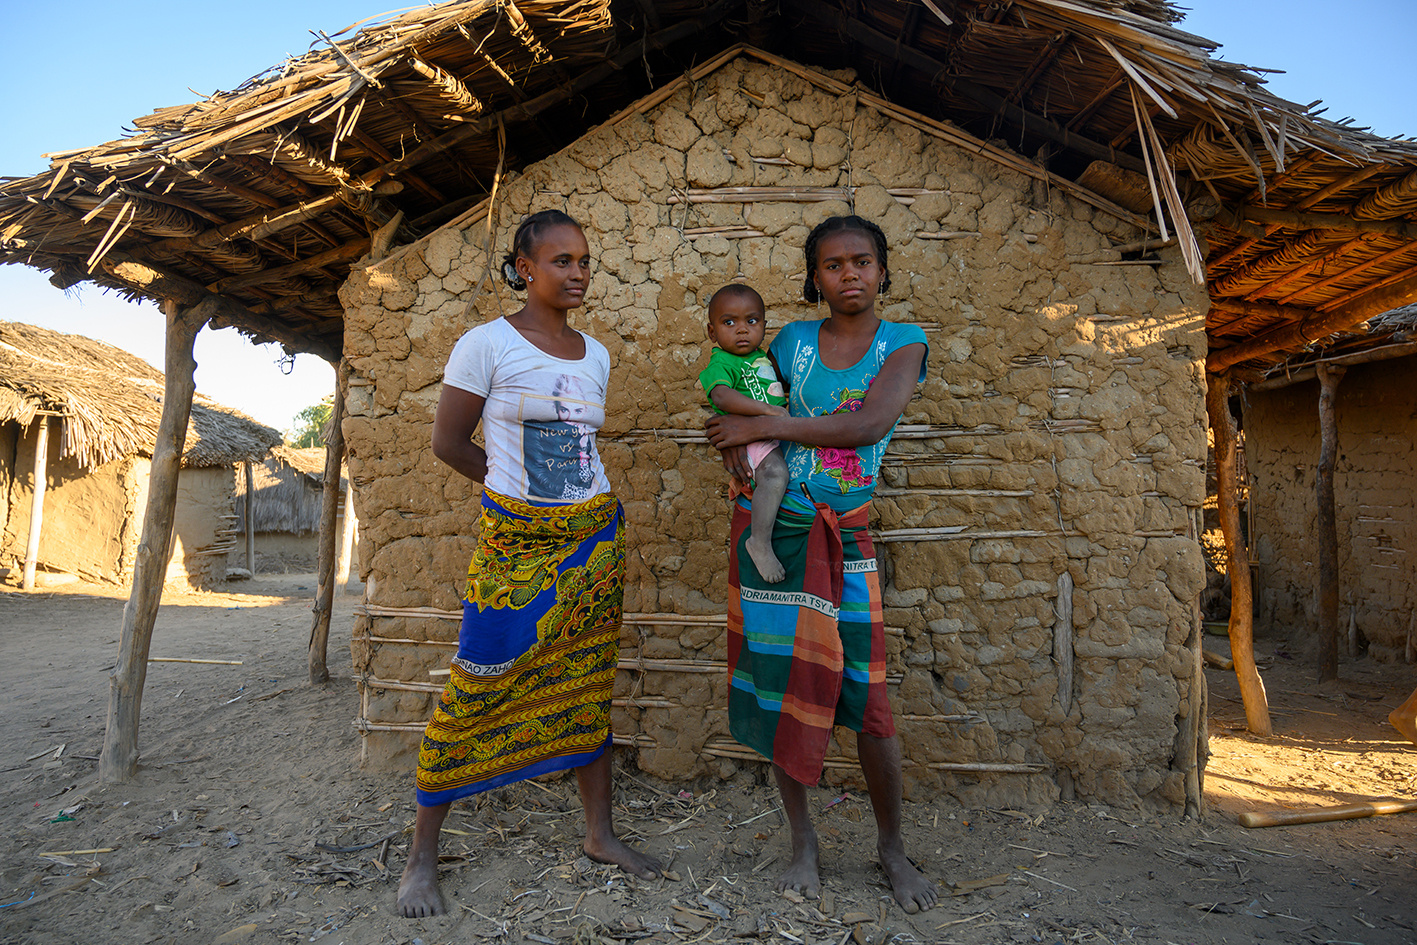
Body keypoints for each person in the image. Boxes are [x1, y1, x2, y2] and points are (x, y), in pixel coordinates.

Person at [397, 210, 662, 918]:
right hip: (514, 544)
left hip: (592, 542)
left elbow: (582, 449)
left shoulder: (596, 354)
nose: (576, 273)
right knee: (476, 678)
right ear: (523, 266)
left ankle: (599, 834)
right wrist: (513, 497)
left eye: (583, 261)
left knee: (586, 681)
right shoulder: (485, 344)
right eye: (560, 261)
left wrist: (577, 516)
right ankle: (422, 857)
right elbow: (449, 443)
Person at [705, 215, 937, 914]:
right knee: (782, 687)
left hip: (848, 538)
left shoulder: (903, 342)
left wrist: (764, 426)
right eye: (833, 265)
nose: (849, 275)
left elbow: (868, 423)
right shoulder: (790, 340)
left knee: (868, 700)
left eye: (861, 261)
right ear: (814, 278)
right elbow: (742, 404)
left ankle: (890, 847)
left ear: (882, 269)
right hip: (773, 534)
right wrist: (732, 431)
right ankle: (802, 840)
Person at [698, 283, 791, 582]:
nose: (742, 330)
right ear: (712, 333)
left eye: (751, 321)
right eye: (729, 322)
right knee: (775, 473)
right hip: (750, 435)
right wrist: (767, 412)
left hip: (767, 434)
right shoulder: (721, 362)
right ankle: (759, 542)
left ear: (764, 325)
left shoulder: (761, 357)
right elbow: (722, 397)